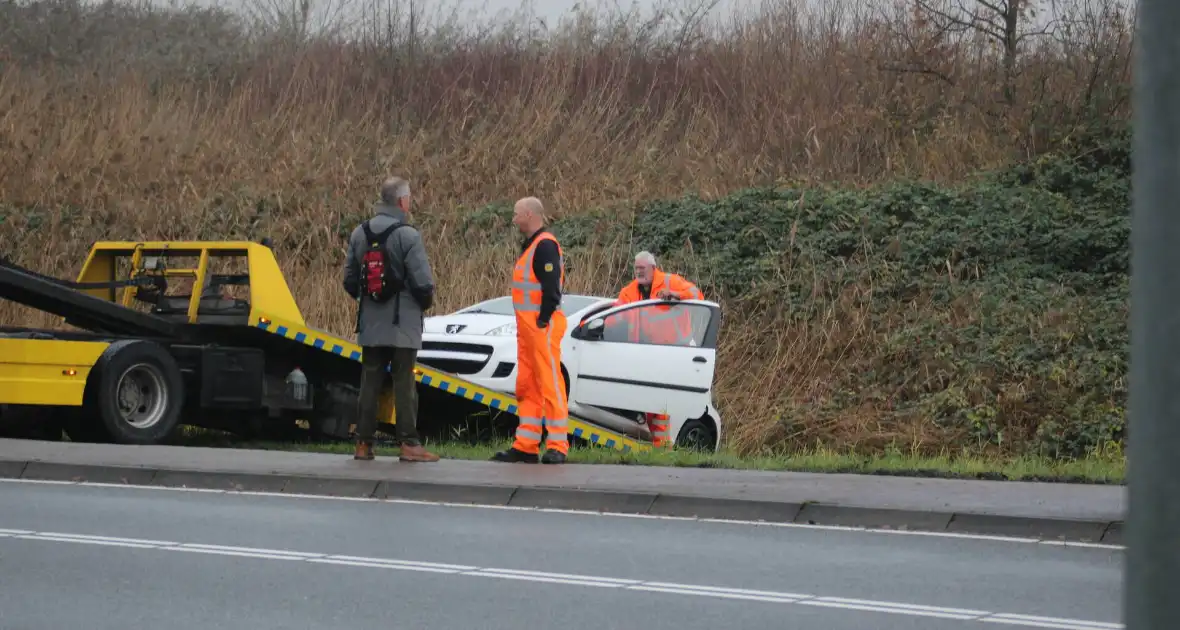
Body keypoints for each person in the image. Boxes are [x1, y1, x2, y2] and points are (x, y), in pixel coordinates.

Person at [342, 176, 440, 463]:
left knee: (369, 382)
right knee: (404, 383)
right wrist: (421, 305)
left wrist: (368, 301)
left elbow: (349, 280)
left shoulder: (359, 233)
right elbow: (423, 284)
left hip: (370, 323)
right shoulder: (408, 235)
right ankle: (409, 444)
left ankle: (363, 444)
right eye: (408, 198)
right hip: (402, 323)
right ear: (401, 201)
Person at [491, 196, 569, 464]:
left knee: (550, 385)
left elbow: (551, 289)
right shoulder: (534, 245)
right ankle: (527, 444)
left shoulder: (544, 245)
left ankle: (558, 444)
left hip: (541, 327)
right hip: (529, 330)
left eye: (516, 214)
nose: (513, 220)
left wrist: (543, 320)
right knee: (527, 386)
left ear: (528, 214)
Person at [612, 250, 703, 447]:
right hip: (642, 354)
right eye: (636, 268)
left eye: (642, 268)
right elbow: (615, 316)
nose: (639, 272)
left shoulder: (670, 282)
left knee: (659, 400)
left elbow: (698, 295)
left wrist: (677, 295)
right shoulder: (629, 292)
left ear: (653, 268)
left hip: (671, 352)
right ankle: (659, 444)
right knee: (650, 400)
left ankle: (661, 445)